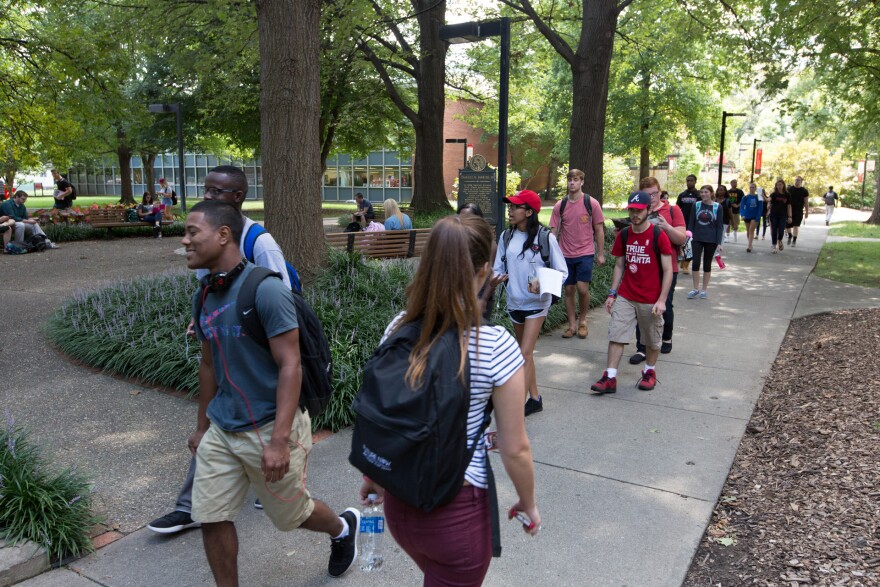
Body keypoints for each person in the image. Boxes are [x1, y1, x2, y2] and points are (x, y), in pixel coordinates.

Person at [182, 200, 360, 582]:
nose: (185, 241)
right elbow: (209, 364)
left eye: (193, 232)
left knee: (291, 517)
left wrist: (279, 441)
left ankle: (343, 529)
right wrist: (201, 427)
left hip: (269, 427)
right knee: (211, 517)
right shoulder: (205, 294)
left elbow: (290, 365)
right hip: (223, 429)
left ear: (224, 235)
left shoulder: (265, 291)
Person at [359, 214, 540, 585]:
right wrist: (528, 502)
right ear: (485, 271)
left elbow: (389, 411)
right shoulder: (495, 345)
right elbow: (515, 447)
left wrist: (373, 476)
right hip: (456, 512)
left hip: (399, 502)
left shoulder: (398, 327)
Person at [148, 165, 291, 536]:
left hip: (259, 361)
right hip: (228, 360)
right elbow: (210, 290)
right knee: (219, 424)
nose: (208, 196)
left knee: (290, 508)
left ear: (238, 197)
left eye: (217, 192)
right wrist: (202, 320)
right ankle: (191, 507)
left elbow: (285, 300)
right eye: (206, 190)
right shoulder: (207, 240)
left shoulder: (259, 242)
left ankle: (286, 496)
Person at [492, 190, 567, 417]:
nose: (510, 210)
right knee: (527, 355)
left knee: (523, 354)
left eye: (515, 207)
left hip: (537, 304)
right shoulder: (506, 236)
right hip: (514, 302)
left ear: (529, 212)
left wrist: (541, 282)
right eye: (510, 206)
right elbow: (497, 268)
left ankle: (517, 404)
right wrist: (496, 279)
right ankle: (535, 398)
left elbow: (562, 271)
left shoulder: (545, 238)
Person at [591, 191, 674, 394]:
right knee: (616, 334)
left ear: (648, 210)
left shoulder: (658, 235)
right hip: (627, 295)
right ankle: (610, 377)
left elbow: (668, 270)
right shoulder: (625, 234)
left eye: (639, 210)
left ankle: (649, 372)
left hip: (650, 298)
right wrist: (612, 293)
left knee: (652, 340)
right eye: (631, 210)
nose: (635, 214)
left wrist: (662, 300)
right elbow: (620, 265)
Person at [629, 177, 687, 364]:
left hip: (668, 266)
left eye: (654, 194)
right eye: (646, 195)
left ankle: (666, 336)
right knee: (641, 307)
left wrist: (666, 227)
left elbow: (681, 239)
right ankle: (641, 347)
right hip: (644, 266)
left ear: (660, 192)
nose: (651, 198)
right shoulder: (639, 211)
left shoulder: (672, 210)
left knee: (664, 305)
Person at [548, 168, 606, 340]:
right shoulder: (561, 205)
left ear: (582, 182)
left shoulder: (591, 203)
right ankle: (572, 325)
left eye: (576, 179)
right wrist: (551, 252)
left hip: (585, 252)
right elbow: (553, 230)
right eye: (570, 179)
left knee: (582, 288)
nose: (572, 182)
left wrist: (601, 253)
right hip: (565, 254)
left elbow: (599, 230)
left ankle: (583, 321)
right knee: (569, 289)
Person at [686, 185, 724, 299]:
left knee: (707, 264)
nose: (703, 194)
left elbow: (719, 226)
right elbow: (691, 223)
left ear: (711, 193)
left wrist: (719, 243)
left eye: (706, 192)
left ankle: (704, 289)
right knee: (696, 262)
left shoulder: (718, 207)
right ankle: (695, 288)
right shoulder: (696, 205)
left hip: (711, 239)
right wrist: (688, 237)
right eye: (702, 192)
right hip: (697, 238)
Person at [675, 174, 700, 273]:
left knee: (691, 244)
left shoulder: (698, 195)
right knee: (683, 243)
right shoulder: (682, 195)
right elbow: (677, 209)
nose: (689, 182)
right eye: (688, 180)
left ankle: (686, 265)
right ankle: (682, 260)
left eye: (691, 181)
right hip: (683, 223)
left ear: (695, 182)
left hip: (694, 223)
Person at [768, 179, 792, 253]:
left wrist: (790, 216)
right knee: (774, 230)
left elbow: (789, 206)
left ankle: (780, 240)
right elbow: (769, 200)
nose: (779, 186)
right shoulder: (773, 194)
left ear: (783, 185)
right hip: (773, 214)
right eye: (777, 185)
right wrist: (766, 200)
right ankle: (774, 245)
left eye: (780, 184)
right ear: (776, 186)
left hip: (783, 215)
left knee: (781, 230)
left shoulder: (787, 194)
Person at [740, 182, 764, 253]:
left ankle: (749, 246)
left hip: (755, 216)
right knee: (748, 230)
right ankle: (750, 243)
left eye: (753, 187)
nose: (752, 189)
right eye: (750, 187)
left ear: (755, 189)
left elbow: (760, 207)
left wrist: (758, 217)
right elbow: (741, 207)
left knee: (751, 230)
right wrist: (742, 215)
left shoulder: (758, 197)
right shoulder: (745, 197)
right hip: (747, 216)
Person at [786, 176, 809, 246]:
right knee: (787, 226)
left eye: (798, 180)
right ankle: (790, 235)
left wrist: (807, 212)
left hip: (799, 211)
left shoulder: (804, 191)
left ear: (801, 182)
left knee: (796, 225)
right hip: (789, 210)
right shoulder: (789, 189)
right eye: (795, 180)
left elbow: (806, 202)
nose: (797, 181)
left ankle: (794, 240)